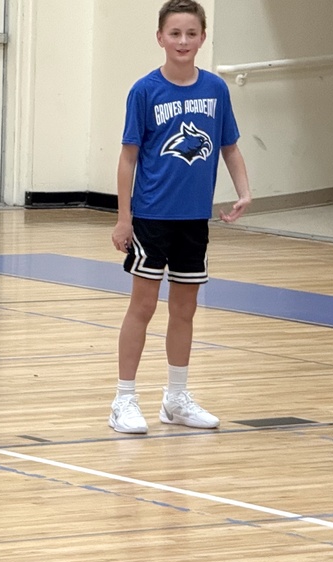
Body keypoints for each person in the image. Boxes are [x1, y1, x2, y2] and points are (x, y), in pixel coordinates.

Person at [108, 0, 251, 435]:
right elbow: (128, 158)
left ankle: (176, 398)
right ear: (160, 38)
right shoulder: (145, 91)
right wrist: (123, 218)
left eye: (191, 33)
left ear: (203, 38)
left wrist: (244, 190)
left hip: (193, 220)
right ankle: (124, 399)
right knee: (144, 305)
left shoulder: (216, 89)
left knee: (185, 309)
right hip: (151, 216)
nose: (183, 41)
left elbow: (229, 146)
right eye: (175, 33)